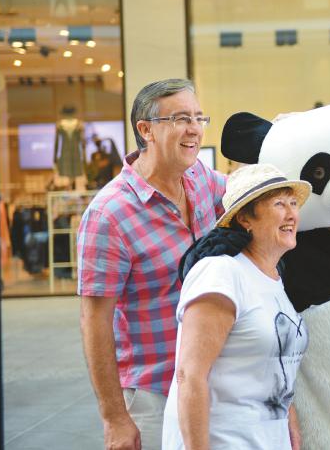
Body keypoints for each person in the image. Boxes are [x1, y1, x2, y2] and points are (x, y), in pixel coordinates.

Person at [77, 78, 226, 450]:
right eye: (181, 119)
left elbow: (251, 193)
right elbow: (95, 322)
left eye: (199, 118)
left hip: (213, 382)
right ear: (146, 130)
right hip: (154, 394)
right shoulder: (109, 214)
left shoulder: (200, 178)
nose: (195, 129)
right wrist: (114, 417)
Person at [162, 164, 311, 449]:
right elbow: (190, 375)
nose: (292, 213)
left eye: (293, 203)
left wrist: (289, 418)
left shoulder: (273, 277)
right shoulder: (221, 272)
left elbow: (273, 365)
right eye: (279, 204)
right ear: (244, 218)